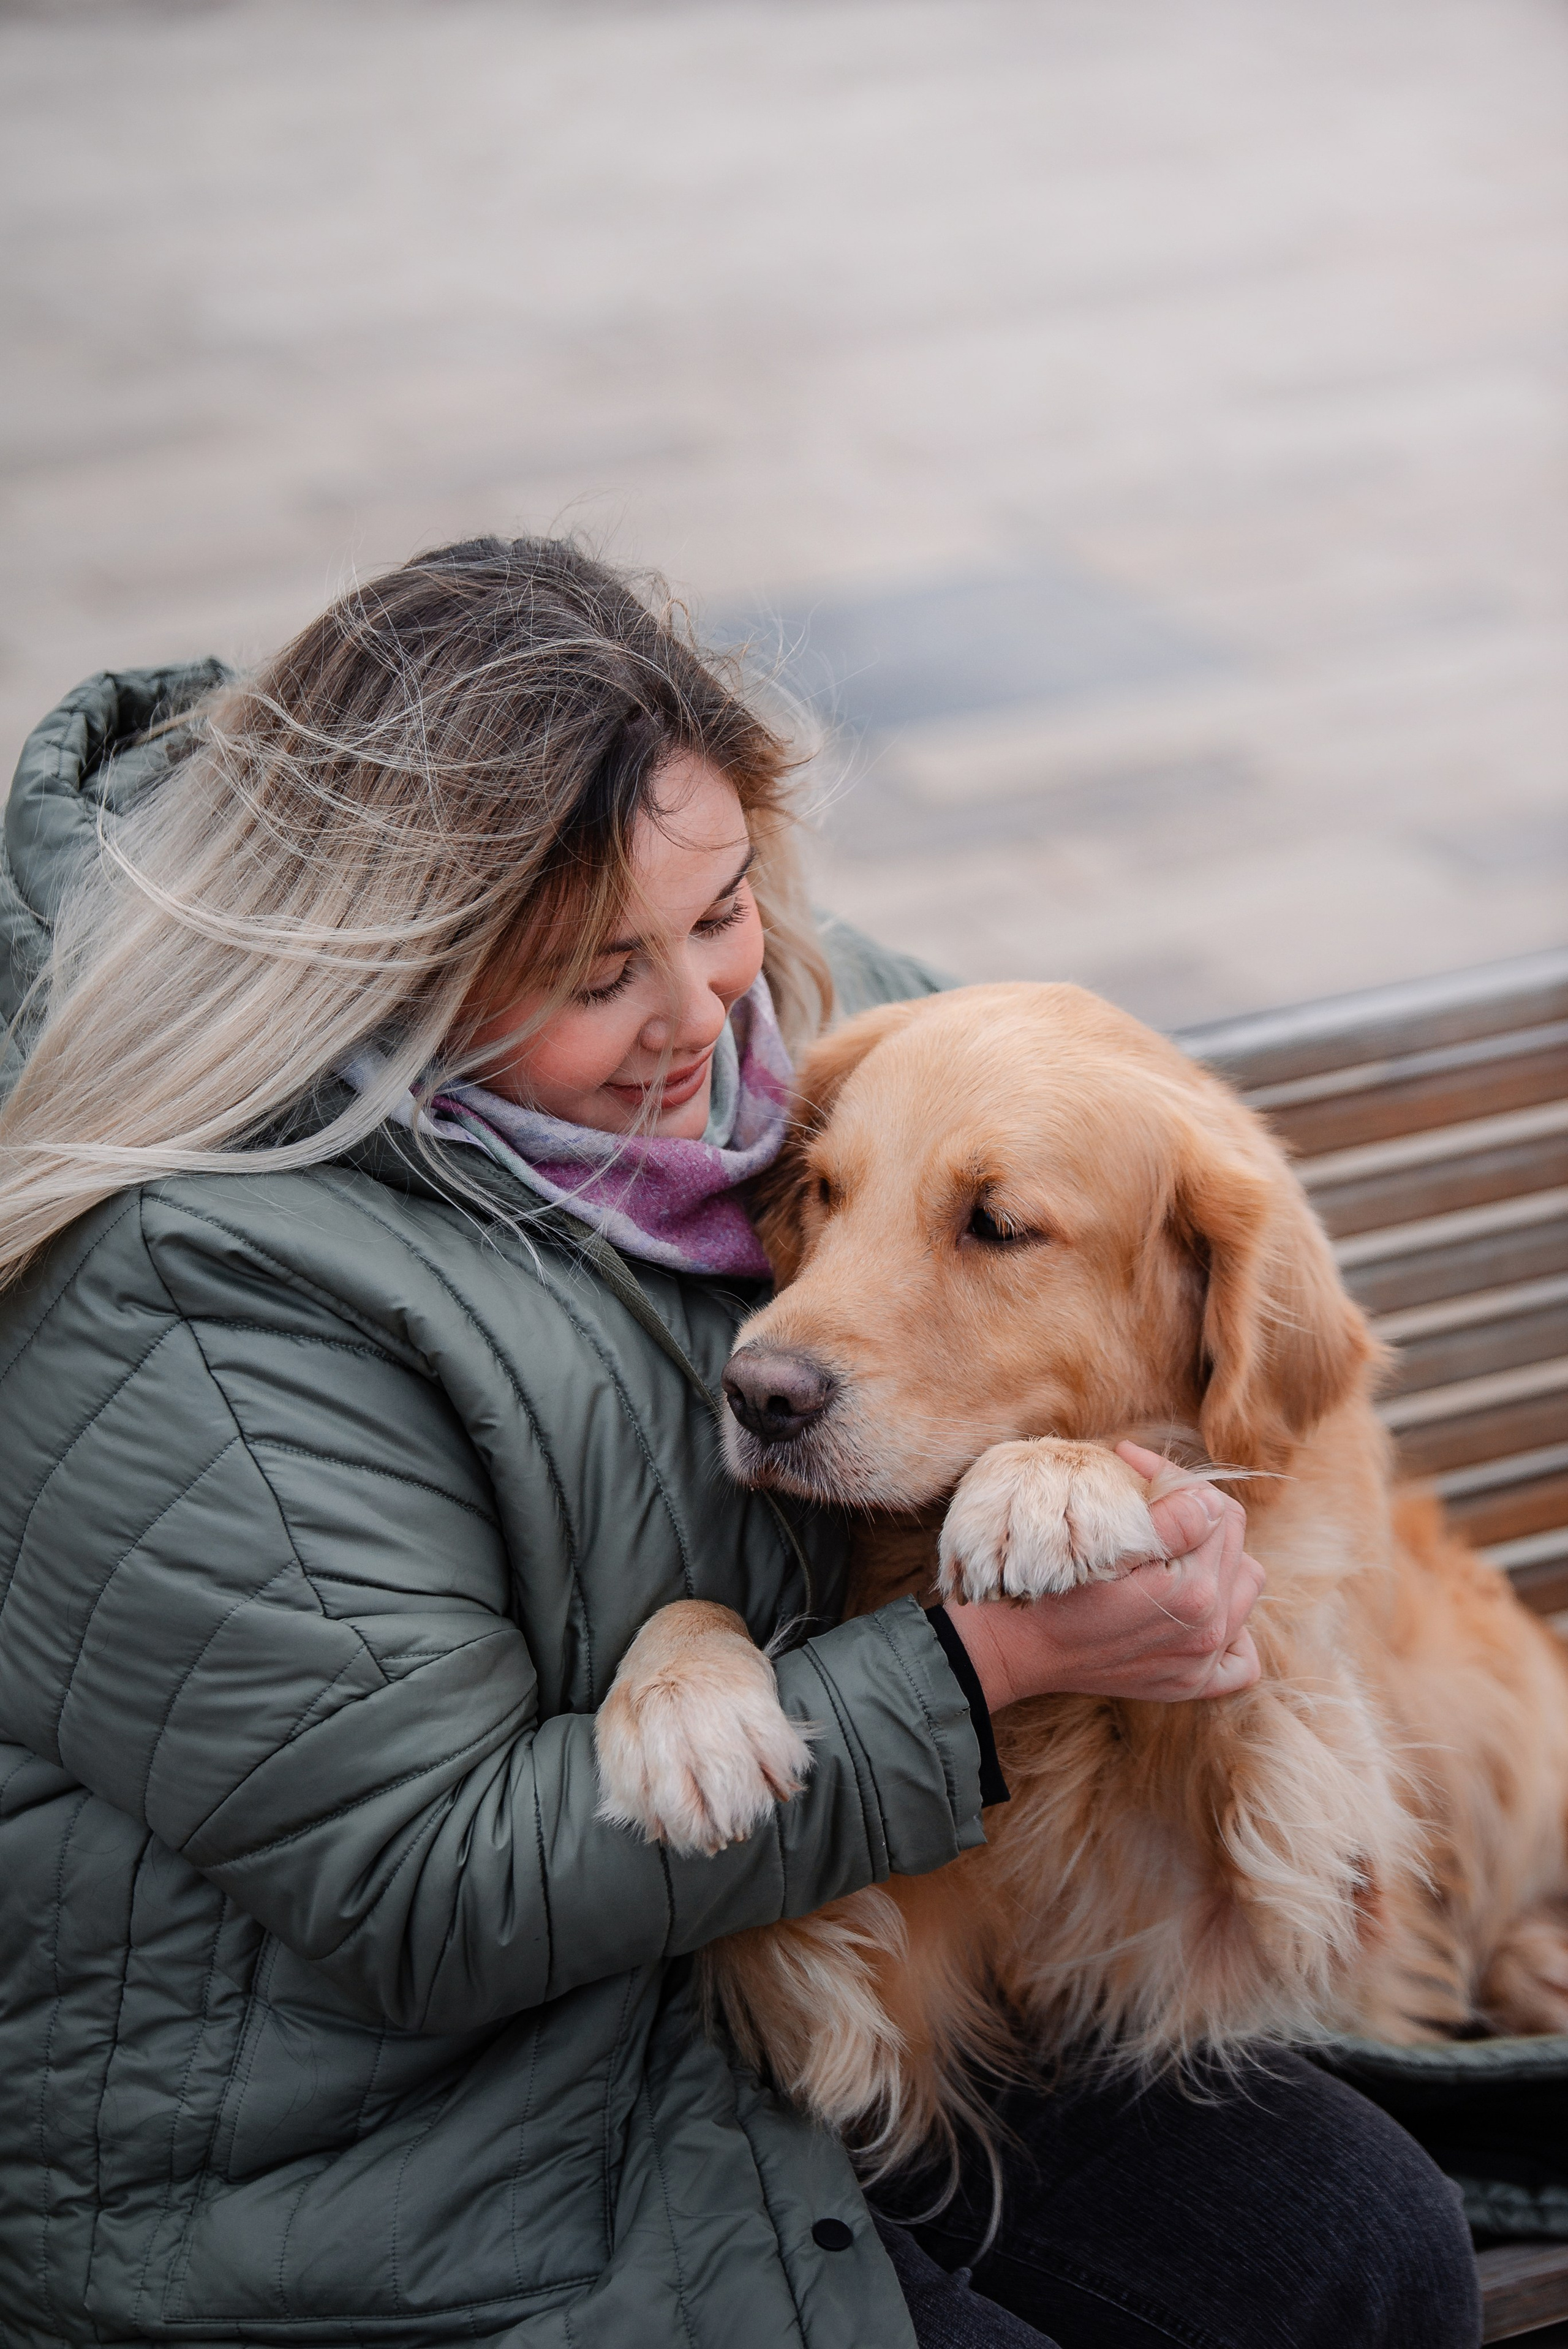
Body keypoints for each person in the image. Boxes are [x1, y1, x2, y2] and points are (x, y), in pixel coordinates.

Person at [0, 537, 1480, 2349]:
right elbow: (422, 1884)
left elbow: (1188, 1333)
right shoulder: (193, 1287)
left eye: (718, 917)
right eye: (589, 971)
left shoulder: (792, 1043)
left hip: (772, 1947)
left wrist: (1123, 1510)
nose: (703, 1021)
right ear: (383, 965)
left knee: (1364, 2239)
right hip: (410, 2135)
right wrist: (977, 1667)